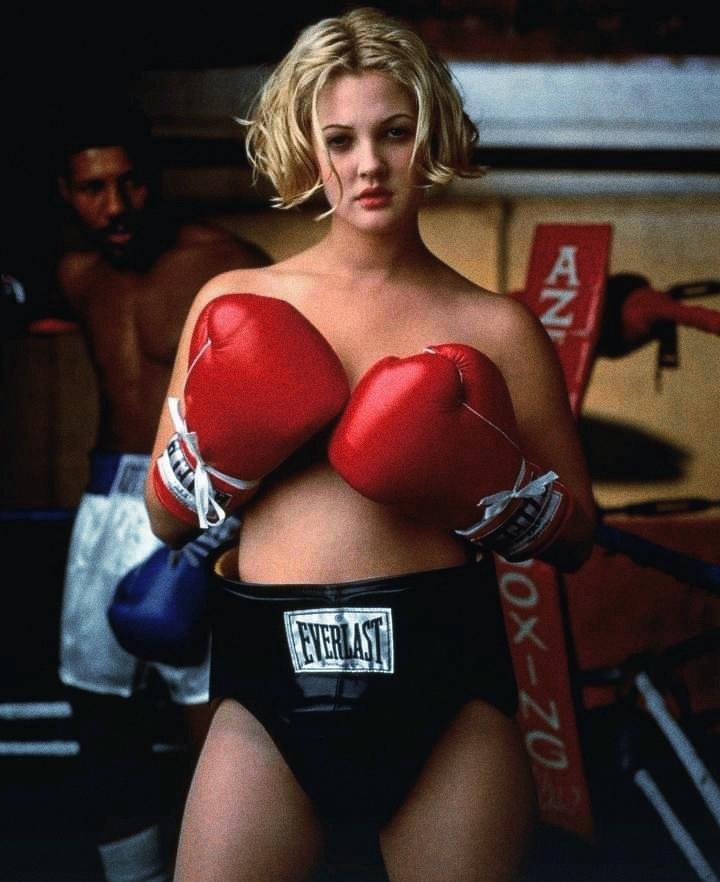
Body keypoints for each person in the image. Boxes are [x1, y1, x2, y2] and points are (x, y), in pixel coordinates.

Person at [146, 9, 596, 881]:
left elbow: (578, 536)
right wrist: (218, 458)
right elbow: (165, 521)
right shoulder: (232, 302)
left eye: (394, 133)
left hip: (444, 689)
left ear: (429, 135)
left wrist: (497, 491)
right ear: (308, 149)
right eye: (340, 139)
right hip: (267, 684)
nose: (368, 164)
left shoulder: (495, 327)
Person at [55, 101, 270, 882]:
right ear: (67, 193)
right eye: (93, 189)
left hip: (197, 509)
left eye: (132, 183)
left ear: (158, 180)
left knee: (219, 724)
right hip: (103, 512)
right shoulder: (75, 275)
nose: (115, 206)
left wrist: (235, 519)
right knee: (99, 718)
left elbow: (298, 382)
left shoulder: (223, 262)